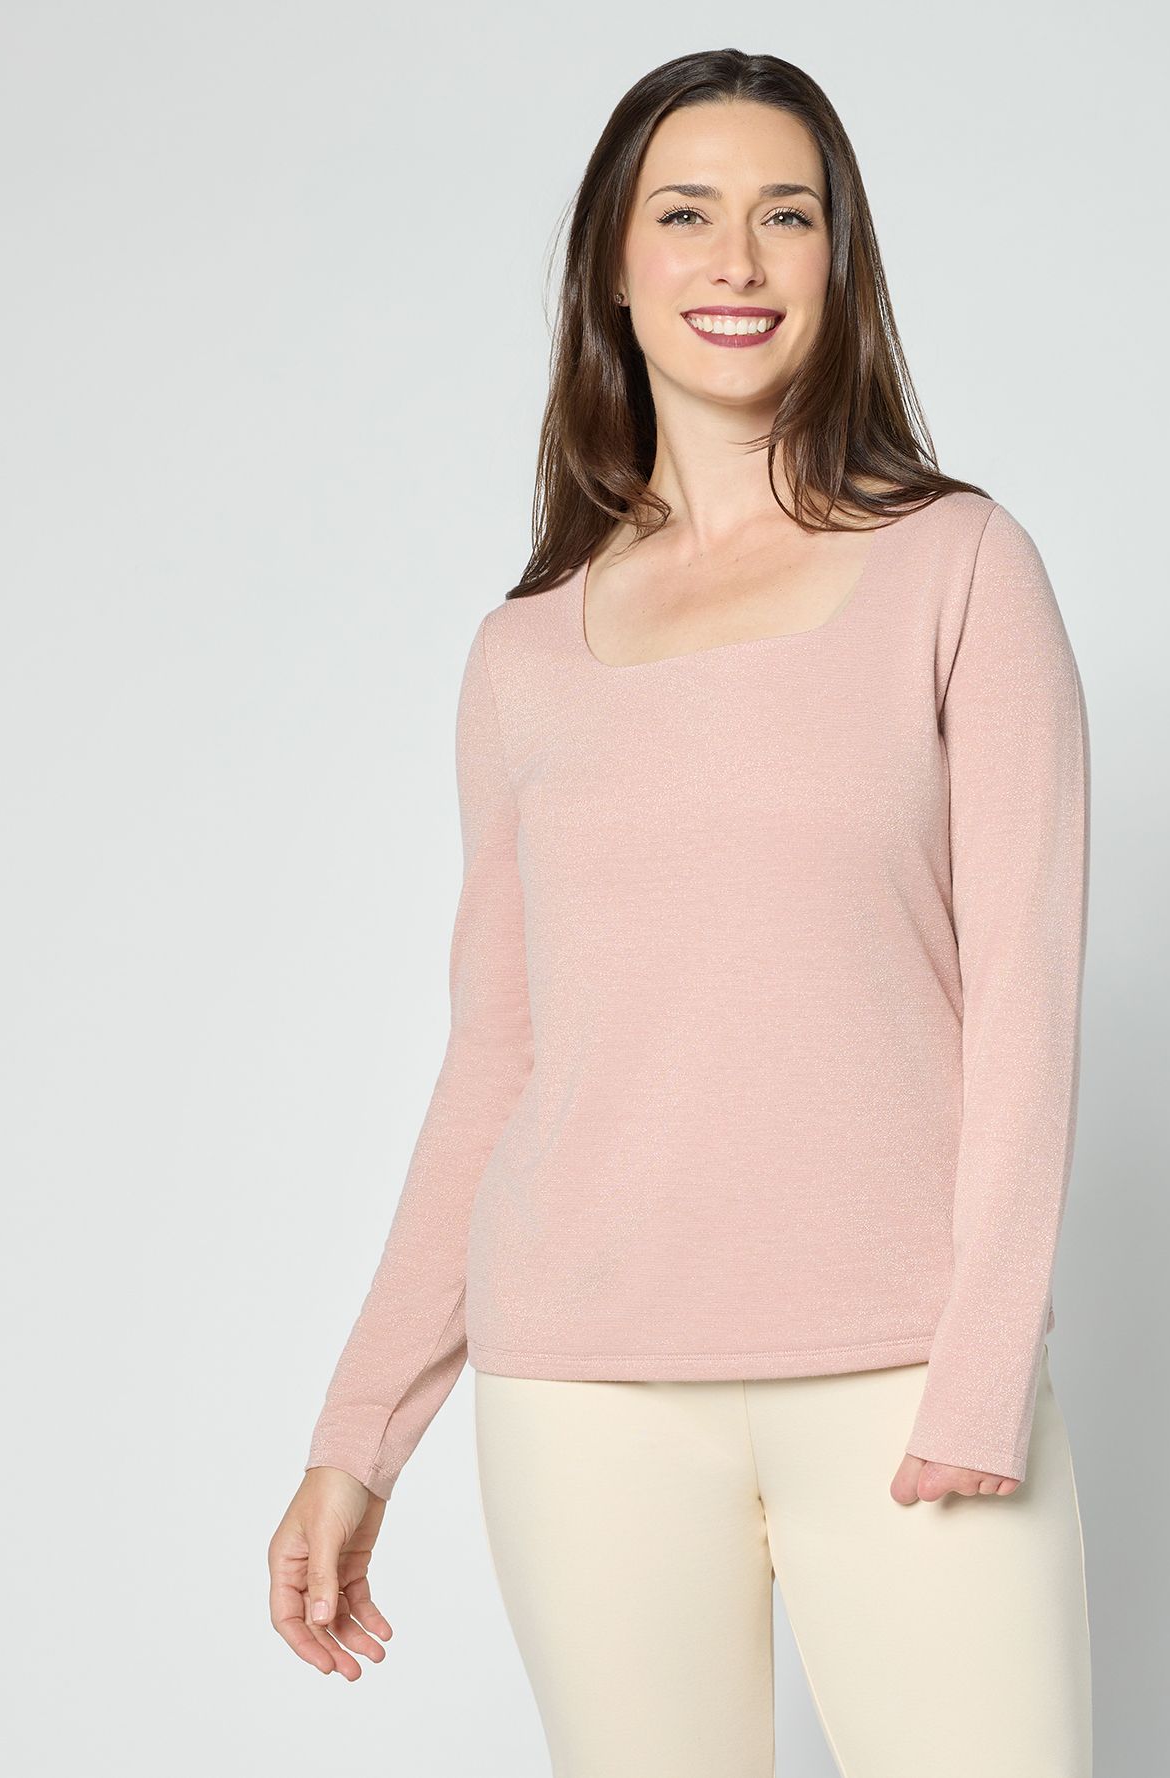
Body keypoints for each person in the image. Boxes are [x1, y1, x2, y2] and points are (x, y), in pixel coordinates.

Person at [267, 47, 1094, 1778]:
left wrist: (980, 1367)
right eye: (688, 214)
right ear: (614, 265)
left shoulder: (961, 567)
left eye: (786, 216)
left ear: (839, 263)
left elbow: (1024, 1001)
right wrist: (361, 1434)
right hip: (583, 1395)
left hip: (900, 1371)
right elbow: (496, 1061)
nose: (737, 259)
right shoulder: (523, 654)